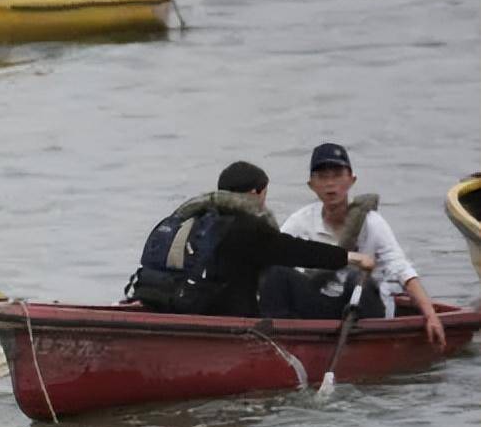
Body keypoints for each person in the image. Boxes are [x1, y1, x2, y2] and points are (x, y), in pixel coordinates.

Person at [127, 161, 372, 318]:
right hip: (228, 318)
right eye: (265, 194)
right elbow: (296, 250)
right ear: (256, 193)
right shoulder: (248, 228)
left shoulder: (193, 218)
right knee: (283, 276)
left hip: (176, 304)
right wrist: (350, 257)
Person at [261, 143, 446, 348]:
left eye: (338, 175)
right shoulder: (301, 221)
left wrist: (431, 316)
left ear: (351, 180)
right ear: (311, 185)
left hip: (366, 308)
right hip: (325, 305)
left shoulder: (372, 223)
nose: (330, 184)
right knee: (277, 273)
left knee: (354, 278)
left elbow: (402, 270)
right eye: (322, 177)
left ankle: (362, 350)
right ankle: (280, 344)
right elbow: (272, 252)